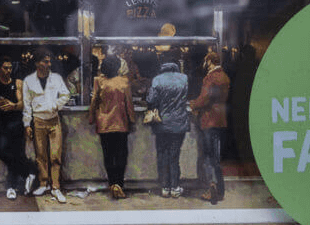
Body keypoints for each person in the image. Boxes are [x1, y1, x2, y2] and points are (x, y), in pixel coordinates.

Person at [22, 49, 71, 203]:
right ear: (37, 63)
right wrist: (26, 124)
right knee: (40, 156)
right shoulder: (28, 81)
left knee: (55, 156)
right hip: (38, 121)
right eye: (45, 61)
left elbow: (66, 94)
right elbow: (27, 105)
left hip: (54, 120)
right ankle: (43, 184)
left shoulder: (56, 78)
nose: (49, 64)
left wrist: (56, 105)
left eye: (49, 61)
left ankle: (55, 187)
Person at [0, 55, 36, 200]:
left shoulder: (18, 82)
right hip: (4, 123)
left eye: (10, 68)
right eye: (5, 68)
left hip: (17, 123)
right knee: (2, 152)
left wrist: (12, 105)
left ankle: (11, 187)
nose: (8, 71)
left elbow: (22, 104)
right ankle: (29, 171)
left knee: (16, 154)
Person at [88, 53, 136, 200]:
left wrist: (91, 118)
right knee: (121, 155)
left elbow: (94, 101)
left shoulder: (99, 81)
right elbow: (129, 104)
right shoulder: (124, 82)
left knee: (108, 156)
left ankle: (112, 184)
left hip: (104, 124)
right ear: (117, 67)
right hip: (121, 124)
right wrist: (132, 120)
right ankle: (119, 185)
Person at [146, 59, 190, 198]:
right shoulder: (184, 78)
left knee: (162, 154)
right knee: (174, 155)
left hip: (162, 123)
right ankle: (175, 187)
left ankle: (165, 187)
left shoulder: (157, 80)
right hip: (179, 123)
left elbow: (151, 100)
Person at [189, 51, 229, 204]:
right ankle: (221, 189)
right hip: (220, 120)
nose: (205, 64)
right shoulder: (225, 77)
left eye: (206, 61)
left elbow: (204, 99)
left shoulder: (210, 78)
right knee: (216, 157)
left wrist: (193, 104)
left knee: (207, 156)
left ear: (210, 61)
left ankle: (210, 187)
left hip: (208, 120)